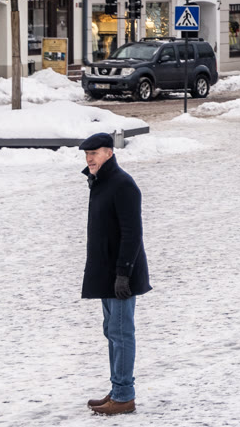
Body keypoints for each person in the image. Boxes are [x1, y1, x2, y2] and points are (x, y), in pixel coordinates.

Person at [80, 131, 150, 416]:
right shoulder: (101, 182)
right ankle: (118, 388)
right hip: (107, 273)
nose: (89, 159)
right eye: (87, 154)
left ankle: (124, 396)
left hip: (121, 275)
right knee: (112, 331)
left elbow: (132, 234)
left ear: (109, 153)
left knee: (121, 333)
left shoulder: (122, 184)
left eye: (94, 154)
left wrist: (124, 274)